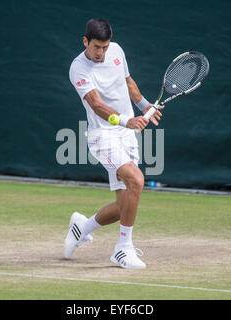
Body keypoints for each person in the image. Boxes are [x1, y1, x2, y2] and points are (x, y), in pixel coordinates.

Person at [64, 18, 162, 269]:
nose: (102, 53)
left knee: (124, 205)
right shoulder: (78, 68)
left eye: (105, 47)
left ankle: (81, 227)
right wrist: (126, 121)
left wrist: (145, 106)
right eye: (97, 47)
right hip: (103, 136)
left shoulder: (116, 50)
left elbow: (127, 82)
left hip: (126, 135)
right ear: (85, 41)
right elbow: (96, 104)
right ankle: (122, 249)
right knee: (137, 180)